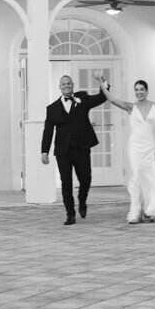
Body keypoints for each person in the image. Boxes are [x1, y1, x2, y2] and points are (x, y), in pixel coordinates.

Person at [96, 74, 155, 224]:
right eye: (136, 90)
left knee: (154, 181)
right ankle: (135, 212)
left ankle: (149, 211)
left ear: (147, 91)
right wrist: (102, 84)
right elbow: (112, 99)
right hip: (135, 147)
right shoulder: (131, 107)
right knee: (136, 178)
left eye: (141, 89)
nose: (138, 92)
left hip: (149, 147)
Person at [41, 75, 108, 225]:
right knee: (66, 182)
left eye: (68, 83)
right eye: (63, 84)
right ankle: (70, 214)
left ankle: (82, 200)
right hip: (63, 151)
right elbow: (48, 131)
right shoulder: (52, 109)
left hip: (81, 147)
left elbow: (101, 98)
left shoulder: (82, 98)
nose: (66, 86)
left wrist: (103, 83)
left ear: (73, 85)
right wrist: (44, 152)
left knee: (86, 178)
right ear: (60, 87)